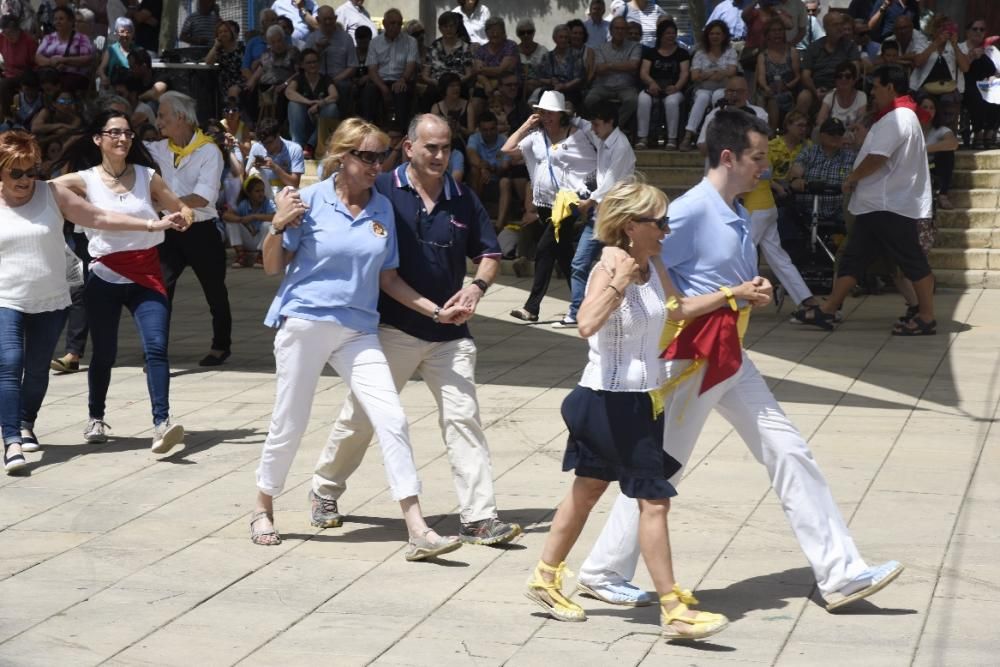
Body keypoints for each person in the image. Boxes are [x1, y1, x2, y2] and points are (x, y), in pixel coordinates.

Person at [576, 109, 904, 612]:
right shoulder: (688, 211)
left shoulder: (733, 208)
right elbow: (640, 256)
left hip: (727, 355)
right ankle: (603, 569)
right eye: (755, 158)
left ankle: (841, 573)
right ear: (727, 157)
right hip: (691, 358)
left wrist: (748, 293)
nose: (763, 168)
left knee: (787, 450)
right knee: (659, 469)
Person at [526, 178, 743, 639]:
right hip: (607, 402)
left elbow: (678, 309)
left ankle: (545, 577)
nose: (666, 228)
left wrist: (732, 295)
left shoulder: (652, 261)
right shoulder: (611, 264)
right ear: (630, 225)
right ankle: (673, 608)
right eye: (658, 221)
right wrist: (618, 284)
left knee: (586, 493)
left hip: (638, 400)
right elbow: (585, 323)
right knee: (655, 500)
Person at [252, 118, 466, 560]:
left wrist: (436, 311)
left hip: (358, 330)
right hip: (306, 322)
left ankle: (418, 527)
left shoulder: (381, 207)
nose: (375, 166)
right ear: (341, 156)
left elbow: (388, 279)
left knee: (392, 418)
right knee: (290, 421)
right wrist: (276, 225)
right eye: (366, 157)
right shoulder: (307, 199)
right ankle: (262, 507)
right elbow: (272, 268)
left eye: (380, 157)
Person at [307, 114, 522, 547]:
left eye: (447, 148)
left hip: (450, 334)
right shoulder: (382, 189)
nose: (441, 156)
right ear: (408, 147)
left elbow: (490, 253)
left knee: (464, 419)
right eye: (431, 148)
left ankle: (479, 517)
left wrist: (476, 289)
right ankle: (324, 489)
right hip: (393, 328)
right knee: (363, 417)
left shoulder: (463, 198)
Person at [0, 129, 185, 473]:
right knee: (9, 364)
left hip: (50, 299)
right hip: (5, 298)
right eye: (16, 172)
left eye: (31, 170)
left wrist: (150, 224)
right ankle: (11, 441)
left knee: (38, 371)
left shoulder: (51, 194)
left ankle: (26, 422)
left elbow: (98, 217)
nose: (26, 179)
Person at [52, 110, 195, 452]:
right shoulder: (83, 180)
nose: (122, 139)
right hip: (104, 276)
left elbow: (182, 209)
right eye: (114, 133)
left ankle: (162, 423)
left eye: (128, 133)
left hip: (146, 273)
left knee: (156, 348)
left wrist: (182, 218)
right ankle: (96, 416)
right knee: (104, 353)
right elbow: (40, 189)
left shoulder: (148, 176)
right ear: (98, 139)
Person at [802, 65, 934, 335]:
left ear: (890, 87)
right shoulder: (900, 116)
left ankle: (926, 316)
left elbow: (879, 157)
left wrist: (853, 177)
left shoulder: (898, 117)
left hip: (889, 204)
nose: (872, 92)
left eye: (875, 87)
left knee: (911, 261)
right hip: (878, 204)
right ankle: (828, 310)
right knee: (853, 258)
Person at [147, 91, 232, 366]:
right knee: (160, 289)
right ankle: (156, 349)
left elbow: (202, 198)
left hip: (201, 228)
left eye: (163, 115)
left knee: (214, 289)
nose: (158, 121)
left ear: (181, 118)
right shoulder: (159, 148)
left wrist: (165, 202)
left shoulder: (208, 150)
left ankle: (221, 345)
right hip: (169, 229)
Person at [503, 91, 598, 323]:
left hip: (567, 203)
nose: (546, 117)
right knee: (565, 257)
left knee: (545, 250)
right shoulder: (536, 136)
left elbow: (593, 165)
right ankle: (585, 304)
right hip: (545, 203)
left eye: (551, 113)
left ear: (561, 115)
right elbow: (508, 149)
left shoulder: (576, 136)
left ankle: (532, 307)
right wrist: (527, 124)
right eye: (542, 112)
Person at [557, 101, 635, 329]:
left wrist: (590, 200)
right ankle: (576, 311)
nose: (593, 128)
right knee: (580, 263)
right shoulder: (601, 137)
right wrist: (564, 112)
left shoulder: (621, 146)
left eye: (598, 124)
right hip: (600, 214)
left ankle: (617, 311)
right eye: (593, 124)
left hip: (617, 214)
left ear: (610, 122)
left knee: (618, 266)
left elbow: (611, 179)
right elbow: (581, 123)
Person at [680, 20, 737, 151]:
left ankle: (716, 136)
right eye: (712, 34)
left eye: (718, 33)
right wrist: (717, 72)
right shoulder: (700, 53)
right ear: (707, 35)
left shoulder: (730, 52)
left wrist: (705, 73)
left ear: (724, 36)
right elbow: (694, 76)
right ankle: (688, 135)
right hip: (702, 88)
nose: (715, 36)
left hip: (723, 88)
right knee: (702, 98)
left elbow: (732, 71)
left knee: (718, 96)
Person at [636, 19, 690, 150]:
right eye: (668, 33)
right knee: (643, 99)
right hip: (654, 88)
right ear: (661, 35)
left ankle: (672, 138)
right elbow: (644, 72)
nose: (671, 36)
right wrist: (652, 83)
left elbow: (685, 73)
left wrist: (676, 87)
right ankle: (643, 137)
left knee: (671, 102)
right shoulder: (651, 53)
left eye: (673, 33)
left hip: (674, 89)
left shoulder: (682, 53)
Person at [361, 8, 417, 132]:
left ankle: (401, 132)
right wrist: (383, 88)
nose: (396, 26)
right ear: (385, 24)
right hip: (380, 80)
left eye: (399, 23)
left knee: (402, 92)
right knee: (368, 91)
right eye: (392, 23)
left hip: (402, 79)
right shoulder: (375, 43)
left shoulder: (411, 41)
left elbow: (411, 65)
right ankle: (369, 129)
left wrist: (403, 79)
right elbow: (372, 69)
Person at [798, 11, 862, 115]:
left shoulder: (850, 46)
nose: (840, 27)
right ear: (826, 28)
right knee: (804, 97)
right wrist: (815, 91)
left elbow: (855, 72)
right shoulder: (814, 47)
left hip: (842, 87)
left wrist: (836, 91)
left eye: (841, 24)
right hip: (817, 88)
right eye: (835, 25)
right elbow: (805, 76)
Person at [584, 17, 640, 129]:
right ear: (611, 30)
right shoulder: (600, 48)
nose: (620, 31)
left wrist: (609, 65)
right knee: (589, 100)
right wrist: (623, 65)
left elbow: (634, 65)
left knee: (633, 100)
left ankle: (613, 127)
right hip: (603, 86)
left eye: (623, 28)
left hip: (626, 87)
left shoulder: (635, 46)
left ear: (626, 31)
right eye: (617, 28)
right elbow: (599, 69)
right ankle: (596, 127)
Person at [285, 48, 339, 158]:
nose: (313, 65)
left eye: (315, 61)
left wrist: (319, 104)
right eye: (309, 63)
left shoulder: (325, 79)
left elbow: (334, 95)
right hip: (303, 122)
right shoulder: (299, 78)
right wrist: (308, 102)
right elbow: (288, 92)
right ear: (302, 65)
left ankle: (310, 145)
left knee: (332, 108)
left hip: (320, 123)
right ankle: (298, 147)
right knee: (293, 105)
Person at [307, 5, 358, 111]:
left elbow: (352, 66)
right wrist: (317, 50)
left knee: (343, 86)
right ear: (318, 20)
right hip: (317, 79)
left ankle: (342, 121)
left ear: (335, 18)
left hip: (339, 79)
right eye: (325, 19)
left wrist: (334, 80)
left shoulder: (346, 38)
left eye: (331, 19)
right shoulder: (312, 39)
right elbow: (304, 63)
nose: (328, 22)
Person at [34, 6, 95, 93]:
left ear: (71, 21)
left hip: (74, 75)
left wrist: (64, 60)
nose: (57, 22)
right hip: (50, 74)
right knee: (32, 80)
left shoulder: (82, 38)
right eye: (55, 19)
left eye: (61, 19)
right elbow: (38, 57)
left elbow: (87, 59)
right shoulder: (48, 38)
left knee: (64, 85)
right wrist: (51, 62)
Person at [959, 18, 999, 149]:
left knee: (996, 93)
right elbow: (958, 68)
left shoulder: (990, 50)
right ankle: (978, 133)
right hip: (966, 84)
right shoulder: (960, 48)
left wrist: (995, 77)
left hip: (987, 85)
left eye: (982, 29)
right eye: (975, 29)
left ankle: (990, 131)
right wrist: (971, 56)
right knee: (976, 95)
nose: (978, 32)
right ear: (967, 32)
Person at [756, 17, 801, 130]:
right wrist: (766, 88)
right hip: (770, 90)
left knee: (776, 99)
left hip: (788, 90)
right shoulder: (763, 56)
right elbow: (761, 78)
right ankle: (767, 131)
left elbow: (798, 76)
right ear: (768, 34)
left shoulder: (792, 52)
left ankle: (773, 131)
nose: (777, 33)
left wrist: (787, 86)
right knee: (767, 98)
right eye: (774, 31)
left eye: (780, 30)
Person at [246, 117, 305, 201]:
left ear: (278, 135)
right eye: (264, 143)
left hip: (285, 190)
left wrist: (275, 167)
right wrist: (254, 165)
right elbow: (247, 176)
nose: (266, 146)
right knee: (253, 170)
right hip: (262, 190)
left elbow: (294, 183)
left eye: (269, 142)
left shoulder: (294, 149)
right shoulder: (257, 147)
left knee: (292, 191)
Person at [222, 173, 273, 267]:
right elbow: (226, 215)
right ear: (249, 193)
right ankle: (241, 255)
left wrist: (254, 216)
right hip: (248, 240)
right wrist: (241, 219)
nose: (261, 194)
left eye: (262, 190)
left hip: (262, 240)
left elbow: (275, 217)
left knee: (268, 225)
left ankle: (261, 256)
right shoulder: (244, 204)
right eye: (257, 191)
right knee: (232, 223)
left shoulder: (268, 203)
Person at [919, 95, 957, 210]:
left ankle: (943, 194)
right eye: (925, 107)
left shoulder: (940, 130)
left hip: (931, 167)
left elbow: (953, 143)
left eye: (932, 108)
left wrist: (923, 149)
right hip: (912, 166)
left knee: (947, 154)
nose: (928, 111)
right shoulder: (911, 127)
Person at [814, 61, 867, 142]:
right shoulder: (830, 96)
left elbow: (860, 123)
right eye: (839, 76)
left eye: (848, 76)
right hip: (832, 135)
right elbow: (820, 120)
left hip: (852, 136)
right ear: (835, 79)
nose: (843, 79)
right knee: (817, 130)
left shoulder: (861, 96)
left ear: (854, 80)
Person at [537, 25, 586, 109]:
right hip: (551, 89)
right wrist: (550, 81)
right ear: (554, 39)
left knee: (568, 106)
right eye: (561, 37)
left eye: (566, 37)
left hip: (570, 90)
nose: (563, 40)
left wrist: (565, 86)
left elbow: (579, 77)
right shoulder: (547, 56)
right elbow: (540, 77)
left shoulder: (576, 55)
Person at [472, 16, 519, 101]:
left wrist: (483, 70)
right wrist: (487, 84)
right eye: (492, 31)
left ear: (503, 32)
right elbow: (477, 72)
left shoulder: (510, 46)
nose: (495, 34)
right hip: (485, 84)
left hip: (507, 85)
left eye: (498, 30)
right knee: (476, 102)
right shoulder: (481, 50)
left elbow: (501, 70)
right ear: (486, 33)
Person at [0, 14, 37, 121]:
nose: (8, 37)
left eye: (11, 33)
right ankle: (10, 114)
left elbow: (35, 64)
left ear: (18, 30)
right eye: (6, 33)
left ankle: (9, 117)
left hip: (25, 74)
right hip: (8, 72)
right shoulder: (2, 38)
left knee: (3, 85)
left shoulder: (29, 41)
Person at [204, 19, 244, 102]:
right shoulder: (219, 51)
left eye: (226, 31)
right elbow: (208, 61)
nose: (223, 34)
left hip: (241, 82)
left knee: (233, 91)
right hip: (224, 84)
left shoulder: (242, 48)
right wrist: (215, 46)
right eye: (220, 32)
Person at [98, 17, 135, 91]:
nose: (125, 35)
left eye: (128, 32)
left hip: (132, 87)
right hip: (114, 87)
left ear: (133, 33)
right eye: (122, 31)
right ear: (116, 33)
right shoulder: (111, 50)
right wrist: (104, 77)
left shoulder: (137, 50)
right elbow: (100, 69)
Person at [517, 19, 548, 100]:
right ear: (518, 35)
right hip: (518, 87)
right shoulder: (513, 51)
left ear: (533, 33)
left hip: (539, 87)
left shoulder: (543, 51)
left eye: (529, 32)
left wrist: (539, 82)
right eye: (522, 33)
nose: (526, 35)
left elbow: (549, 74)